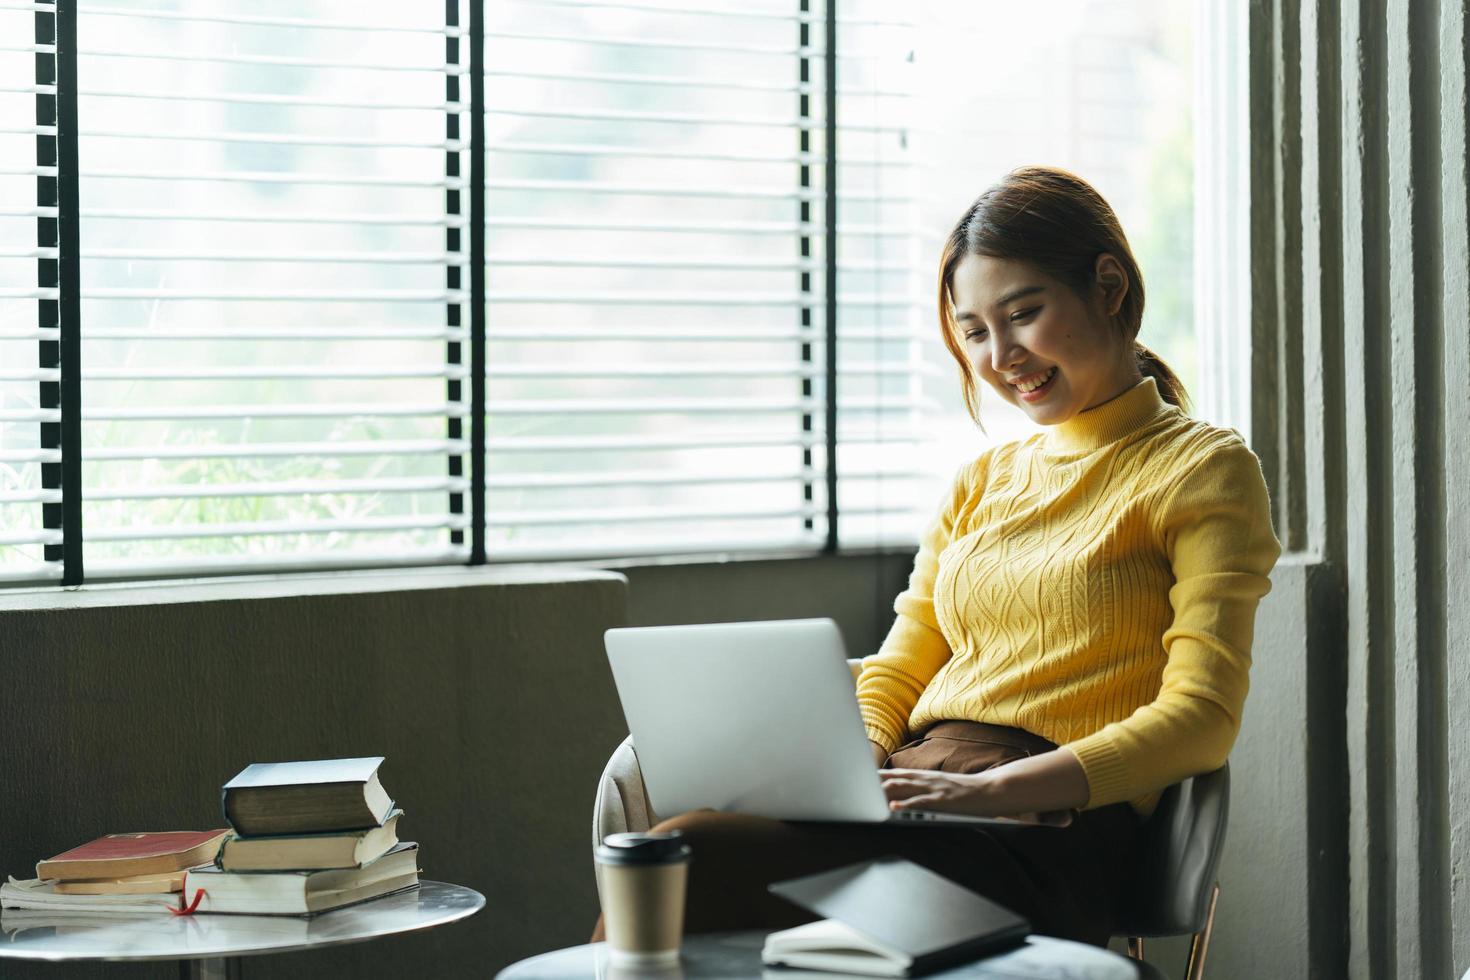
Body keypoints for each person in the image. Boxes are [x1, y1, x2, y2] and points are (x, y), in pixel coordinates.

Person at [595, 165, 1281, 947]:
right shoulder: (983, 479)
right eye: (975, 331)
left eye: (1023, 313)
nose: (1000, 357)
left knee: (685, 861)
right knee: (669, 849)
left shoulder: (1203, 470)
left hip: (1047, 829)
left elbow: (1201, 720)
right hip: (920, 793)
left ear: (1110, 286)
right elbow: (902, 664)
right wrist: (848, 772)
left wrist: (998, 789)